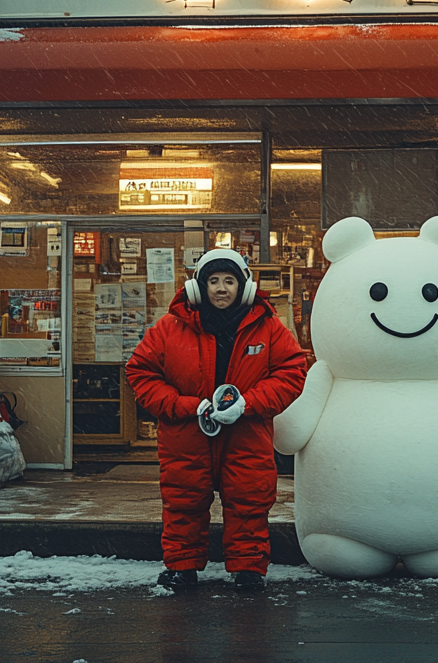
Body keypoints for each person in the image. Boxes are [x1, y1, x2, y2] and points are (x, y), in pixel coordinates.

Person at [126, 249, 306, 592]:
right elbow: (140, 372)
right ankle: (182, 567)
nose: (221, 289)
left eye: (229, 281)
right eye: (213, 281)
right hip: (185, 435)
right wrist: (183, 405)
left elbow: (292, 372)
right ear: (198, 286)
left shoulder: (268, 328)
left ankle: (249, 570)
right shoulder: (168, 329)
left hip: (246, 433)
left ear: (244, 286)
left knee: (249, 501)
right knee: (183, 501)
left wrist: (248, 404)